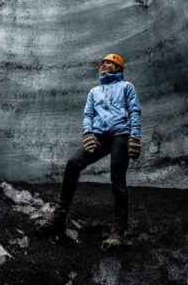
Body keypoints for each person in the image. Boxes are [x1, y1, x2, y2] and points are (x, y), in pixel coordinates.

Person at [36, 53, 141, 250]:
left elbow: (134, 111)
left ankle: (118, 231)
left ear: (118, 68)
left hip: (121, 134)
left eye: (109, 63)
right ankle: (59, 216)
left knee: (117, 179)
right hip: (99, 136)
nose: (104, 65)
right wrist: (87, 133)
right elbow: (88, 114)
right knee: (73, 163)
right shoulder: (94, 91)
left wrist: (134, 137)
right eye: (103, 63)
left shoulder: (127, 87)